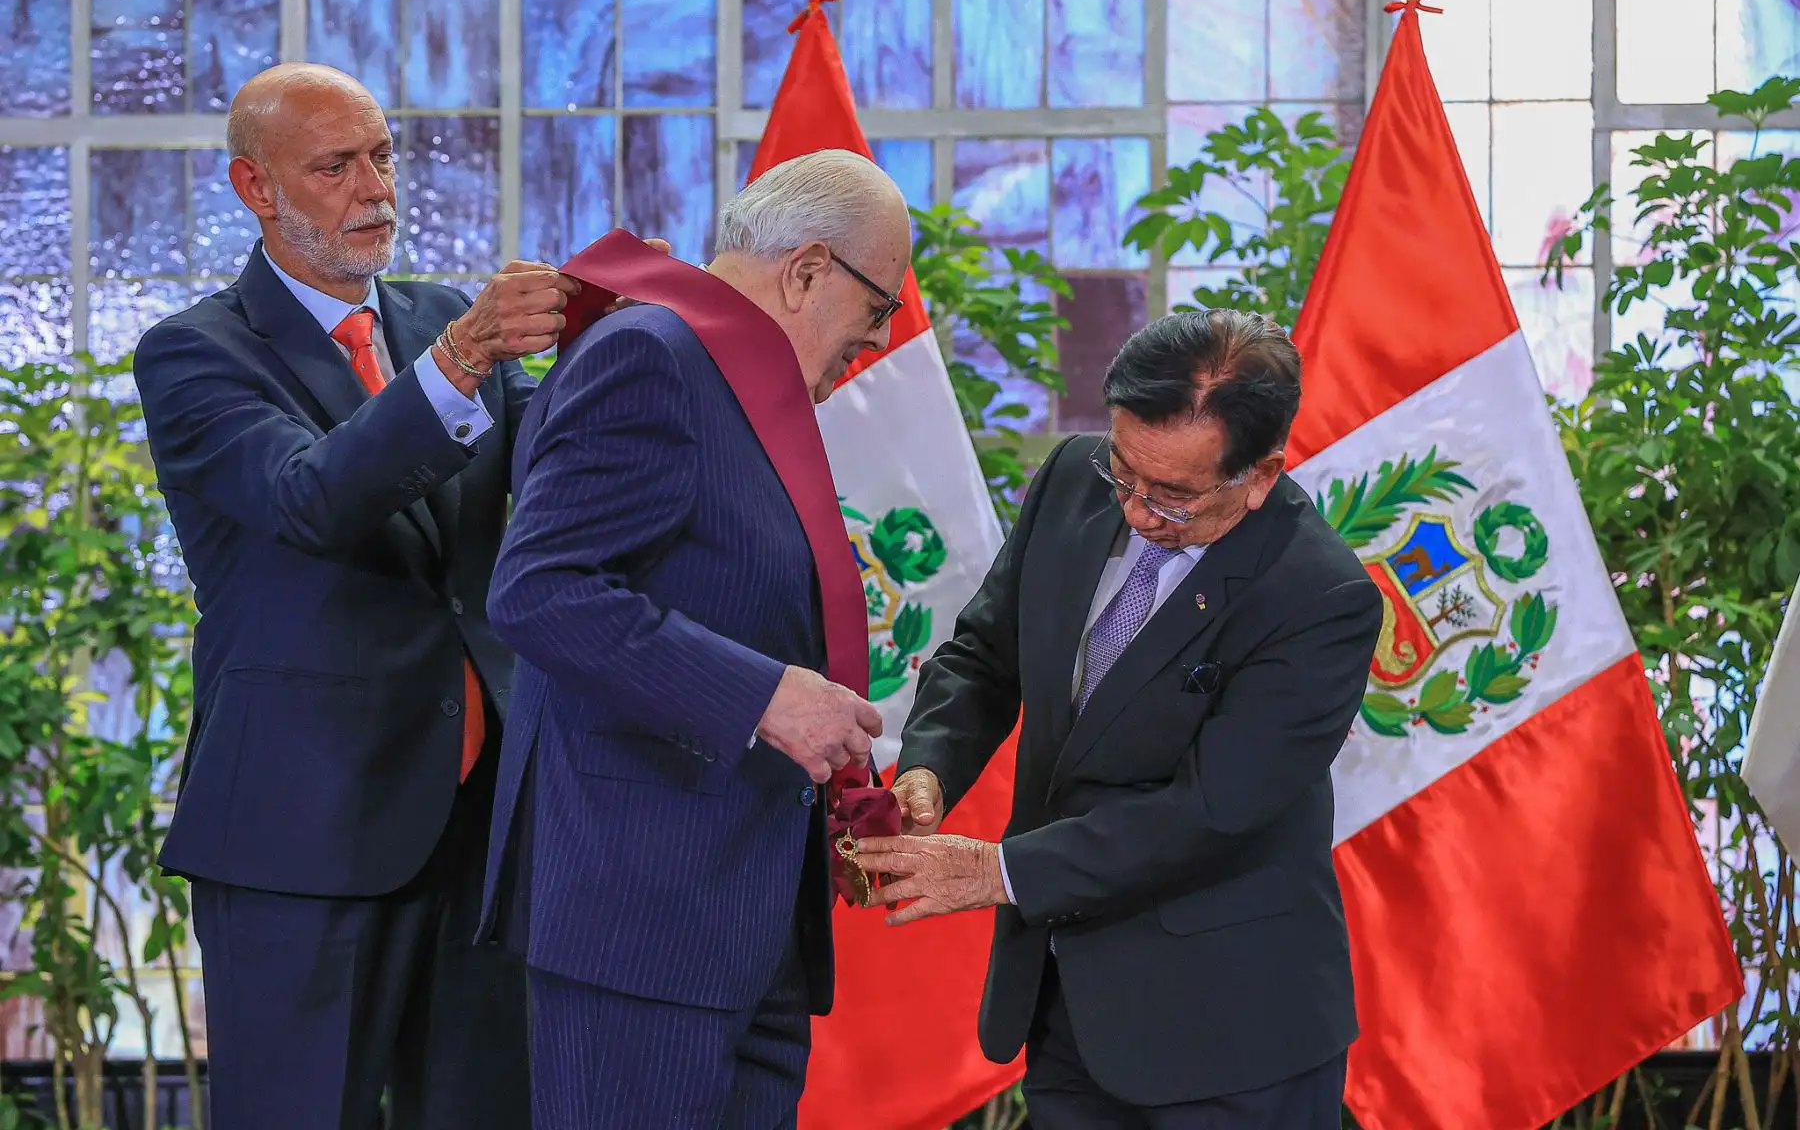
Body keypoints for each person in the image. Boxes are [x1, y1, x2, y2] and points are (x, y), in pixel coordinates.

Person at [134, 62, 658, 1130]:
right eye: (335, 166)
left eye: (382, 155)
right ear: (256, 187)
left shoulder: (437, 322)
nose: (374, 187)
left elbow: (559, 489)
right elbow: (314, 498)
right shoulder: (195, 352)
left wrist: (650, 349)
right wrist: (467, 356)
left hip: (486, 823)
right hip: (301, 835)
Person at [855, 310, 1384, 1129]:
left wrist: (998, 872)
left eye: (1171, 496)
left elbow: (1211, 813)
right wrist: (929, 766)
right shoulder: (1073, 477)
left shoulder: (1320, 597)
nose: (1136, 511)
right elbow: (987, 653)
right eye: (1123, 471)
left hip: (1231, 1036)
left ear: (1261, 474)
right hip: (1067, 1008)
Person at [474, 148, 911, 1128]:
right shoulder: (652, 356)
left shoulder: (738, 387)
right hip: (643, 921)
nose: (877, 341)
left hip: (741, 921)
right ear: (805, 272)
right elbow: (539, 589)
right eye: (878, 306)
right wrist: (764, 696)